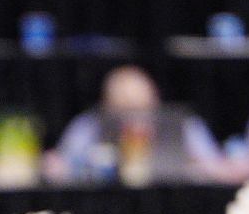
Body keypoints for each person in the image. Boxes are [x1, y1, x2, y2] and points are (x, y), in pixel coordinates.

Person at [50, 66, 224, 183]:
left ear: (155, 100)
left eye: (141, 109)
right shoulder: (88, 125)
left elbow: (218, 168)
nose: (134, 121)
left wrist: (198, 169)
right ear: (107, 105)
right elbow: (58, 167)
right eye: (124, 110)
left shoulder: (185, 124)